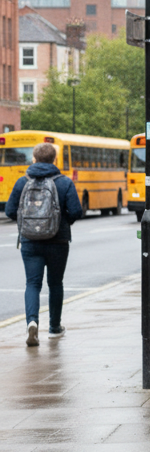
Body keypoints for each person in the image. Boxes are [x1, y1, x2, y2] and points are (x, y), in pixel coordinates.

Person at [4, 142, 84, 346]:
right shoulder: (64, 182)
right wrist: (61, 221)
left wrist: (28, 223)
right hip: (58, 240)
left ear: (34, 159)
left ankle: (32, 322)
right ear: (54, 160)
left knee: (32, 284)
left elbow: (10, 211)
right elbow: (76, 211)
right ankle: (54, 328)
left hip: (30, 241)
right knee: (55, 283)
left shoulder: (23, 182)